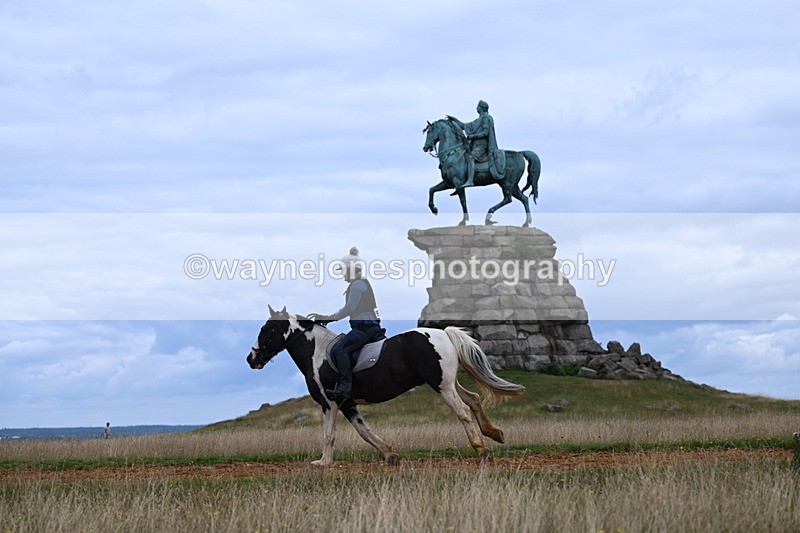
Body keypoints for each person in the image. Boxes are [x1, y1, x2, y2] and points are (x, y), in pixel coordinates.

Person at [308, 247, 383, 402]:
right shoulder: (360, 283)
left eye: (343, 270)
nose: (342, 274)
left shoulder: (357, 285)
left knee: (340, 350)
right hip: (367, 325)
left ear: (351, 269)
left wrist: (327, 319)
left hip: (365, 327)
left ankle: (345, 388)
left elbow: (350, 308)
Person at [446, 100, 506, 193]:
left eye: (478, 106)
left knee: (470, 157)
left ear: (482, 108)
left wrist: (473, 136)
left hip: (482, 147)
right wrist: (455, 120)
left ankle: (470, 180)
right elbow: (464, 126)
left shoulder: (487, 118)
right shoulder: (477, 121)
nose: (476, 108)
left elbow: (486, 133)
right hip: (475, 146)